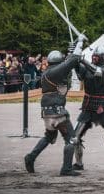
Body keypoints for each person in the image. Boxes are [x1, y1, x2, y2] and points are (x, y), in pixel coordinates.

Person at [24, 34, 86, 176]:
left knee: (49, 137)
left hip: (47, 112)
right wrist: (80, 42)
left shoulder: (50, 72)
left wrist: (72, 47)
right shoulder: (56, 72)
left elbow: (69, 61)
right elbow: (73, 60)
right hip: (57, 113)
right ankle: (66, 169)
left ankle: (31, 157)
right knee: (71, 139)